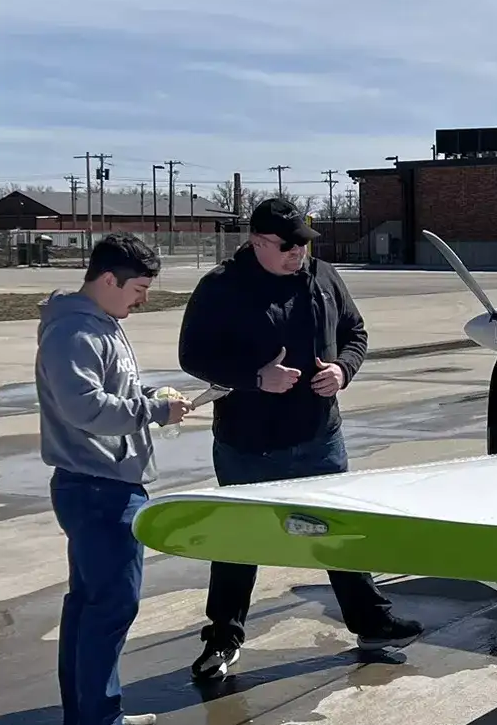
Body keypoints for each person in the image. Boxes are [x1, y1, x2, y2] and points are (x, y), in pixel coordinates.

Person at [178, 196, 420, 677]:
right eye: (287, 245)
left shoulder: (324, 277)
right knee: (239, 540)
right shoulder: (221, 287)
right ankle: (223, 637)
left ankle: (370, 620)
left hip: (318, 435)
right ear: (257, 242)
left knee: (339, 528)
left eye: (304, 244)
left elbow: (356, 332)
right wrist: (255, 378)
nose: (298, 253)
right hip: (248, 441)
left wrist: (343, 371)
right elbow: (193, 356)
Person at [36, 232, 188, 725]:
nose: (142, 299)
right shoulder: (75, 331)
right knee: (109, 610)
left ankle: (88, 719)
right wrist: (152, 413)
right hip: (99, 487)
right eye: (139, 288)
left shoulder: (98, 325)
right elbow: (85, 409)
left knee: (89, 607)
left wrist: (149, 401)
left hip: (102, 483)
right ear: (107, 280)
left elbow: (108, 397)